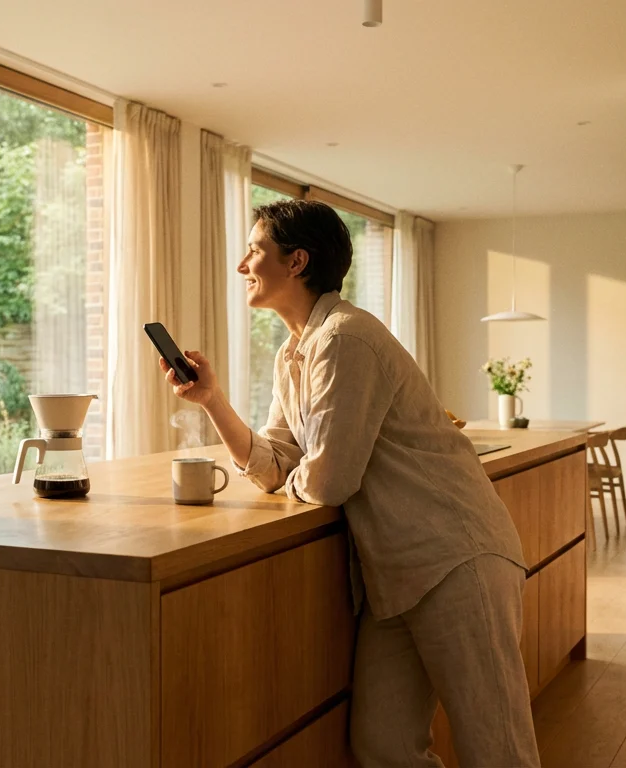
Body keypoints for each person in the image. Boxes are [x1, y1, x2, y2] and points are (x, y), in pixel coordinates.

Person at [158, 200, 541, 768]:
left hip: (456, 557)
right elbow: (279, 460)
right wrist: (212, 400)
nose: (242, 265)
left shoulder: (345, 339)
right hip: (394, 572)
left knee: (497, 748)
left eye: (256, 250)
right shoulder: (295, 353)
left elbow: (330, 479)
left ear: (298, 261)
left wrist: (292, 479)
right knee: (384, 746)